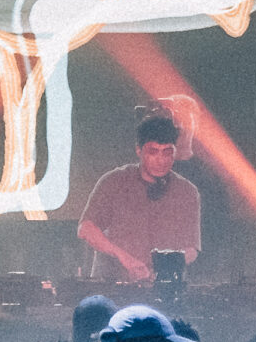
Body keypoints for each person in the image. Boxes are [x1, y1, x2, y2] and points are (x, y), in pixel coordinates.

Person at [77, 112, 201, 285]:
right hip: (114, 285)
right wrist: (124, 257)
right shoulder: (114, 181)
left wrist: (164, 267)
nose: (161, 160)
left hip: (164, 287)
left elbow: (192, 249)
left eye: (167, 153)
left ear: (175, 152)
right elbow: (86, 229)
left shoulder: (187, 191)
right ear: (139, 150)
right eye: (153, 152)